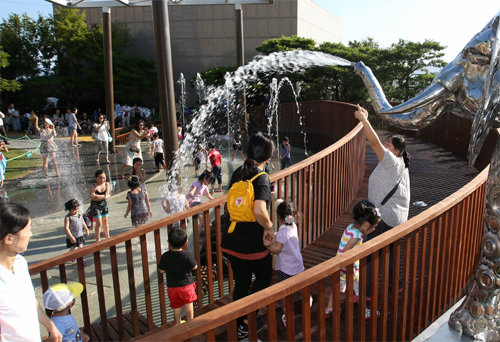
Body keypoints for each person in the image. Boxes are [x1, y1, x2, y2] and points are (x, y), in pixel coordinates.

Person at [220, 132, 275, 338]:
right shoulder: (262, 178)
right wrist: (269, 227)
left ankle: (238, 326)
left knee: (241, 283)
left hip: (231, 239)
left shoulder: (238, 172)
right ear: (268, 156)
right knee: (264, 277)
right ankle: (245, 322)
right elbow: (260, 210)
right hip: (252, 244)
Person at [354, 105, 411, 300]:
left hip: (385, 217)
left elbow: (375, 144)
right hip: (397, 218)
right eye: (386, 142)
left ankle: (368, 294)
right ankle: (397, 285)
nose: (385, 146)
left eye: (389, 144)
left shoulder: (393, 163)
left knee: (368, 255)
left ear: (397, 151)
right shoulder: (400, 165)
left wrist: (364, 121)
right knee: (391, 254)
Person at [0, 202, 63, 342]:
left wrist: (49, 325)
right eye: (27, 230)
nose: (31, 234)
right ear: (9, 239)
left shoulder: (20, 263)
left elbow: (30, 300)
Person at [324, 200, 381, 319]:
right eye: (373, 227)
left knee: (337, 288)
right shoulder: (357, 236)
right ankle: (365, 311)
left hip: (339, 266)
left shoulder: (350, 227)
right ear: (366, 225)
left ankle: (329, 309)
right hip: (349, 268)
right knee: (359, 290)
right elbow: (346, 253)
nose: (374, 229)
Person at [265, 200, 311, 327]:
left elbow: (277, 250)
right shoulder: (292, 224)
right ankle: (309, 299)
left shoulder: (282, 233)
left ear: (278, 217)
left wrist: (268, 245)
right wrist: (276, 234)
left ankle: (287, 314)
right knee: (301, 285)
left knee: (284, 293)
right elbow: (283, 236)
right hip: (297, 263)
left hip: (286, 268)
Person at [158, 228, 198, 325]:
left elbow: (161, 270)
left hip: (173, 287)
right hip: (187, 285)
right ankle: (190, 322)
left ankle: (178, 323)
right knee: (189, 303)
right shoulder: (187, 255)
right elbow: (195, 267)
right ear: (186, 242)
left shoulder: (165, 256)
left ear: (168, 242)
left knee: (177, 306)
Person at [90, 170, 110, 241]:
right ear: (95, 178)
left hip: (104, 205)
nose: (102, 180)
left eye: (104, 178)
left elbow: (107, 196)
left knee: (105, 221)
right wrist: (103, 196)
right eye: (100, 178)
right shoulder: (93, 186)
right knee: (99, 223)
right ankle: (97, 239)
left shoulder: (107, 184)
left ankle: (107, 236)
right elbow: (92, 197)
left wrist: (97, 196)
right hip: (95, 206)